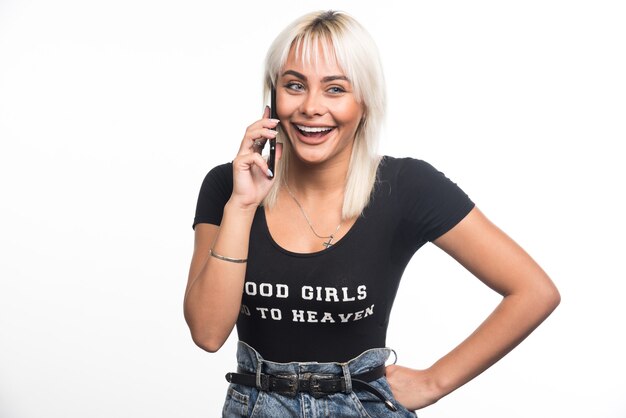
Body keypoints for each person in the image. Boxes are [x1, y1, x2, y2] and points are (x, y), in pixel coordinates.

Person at [184, 10, 560, 417]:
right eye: (295, 85)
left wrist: (434, 382)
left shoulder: (406, 186)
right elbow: (207, 333)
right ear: (272, 98)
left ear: (364, 100)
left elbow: (533, 291)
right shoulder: (228, 187)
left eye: (335, 89)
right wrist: (241, 206)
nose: (311, 107)